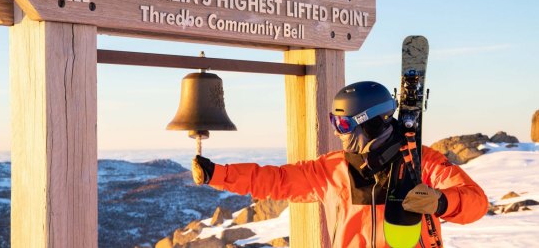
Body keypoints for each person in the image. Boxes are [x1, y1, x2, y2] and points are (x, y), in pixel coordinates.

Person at [192, 81, 488, 247]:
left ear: (371, 123)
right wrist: (217, 174)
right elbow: (277, 180)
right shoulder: (331, 169)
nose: (337, 131)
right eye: (334, 121)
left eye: (344, 124)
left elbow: (476, 202)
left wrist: (441, 202)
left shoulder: (423, 163)